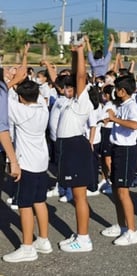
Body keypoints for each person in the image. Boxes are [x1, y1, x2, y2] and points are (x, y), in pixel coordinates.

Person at [3, 79, 51, 263]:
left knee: (24, 205)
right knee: (40, 201)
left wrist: (12, 80)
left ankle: (27, 247)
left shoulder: (20, 110)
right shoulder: (43, 108)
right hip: (41, 162)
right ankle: (44, 240)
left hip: (27, 163)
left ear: (21, 97)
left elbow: (4, 96)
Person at [57, 45, 94, 253]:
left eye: (72, 87)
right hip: (67, 146)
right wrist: (73, 54)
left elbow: (79, 76)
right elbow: (74, 75)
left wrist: (80, 53)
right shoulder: (71, 101)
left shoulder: (83, 99)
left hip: (75, 147)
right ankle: (80, 234)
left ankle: (83, 238)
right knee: (75, 194)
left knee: (80, 196)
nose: (68, 88)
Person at [100, 75, 137, 246]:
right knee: (117, 190)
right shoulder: (121, 105)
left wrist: (114, 119)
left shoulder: (132, 105)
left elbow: (134, 124)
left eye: (117, 89)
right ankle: (122, 226)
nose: (115, 92)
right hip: (117, 148)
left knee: (123, 192)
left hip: (126, 151)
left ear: (123, 91)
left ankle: (132, 231)